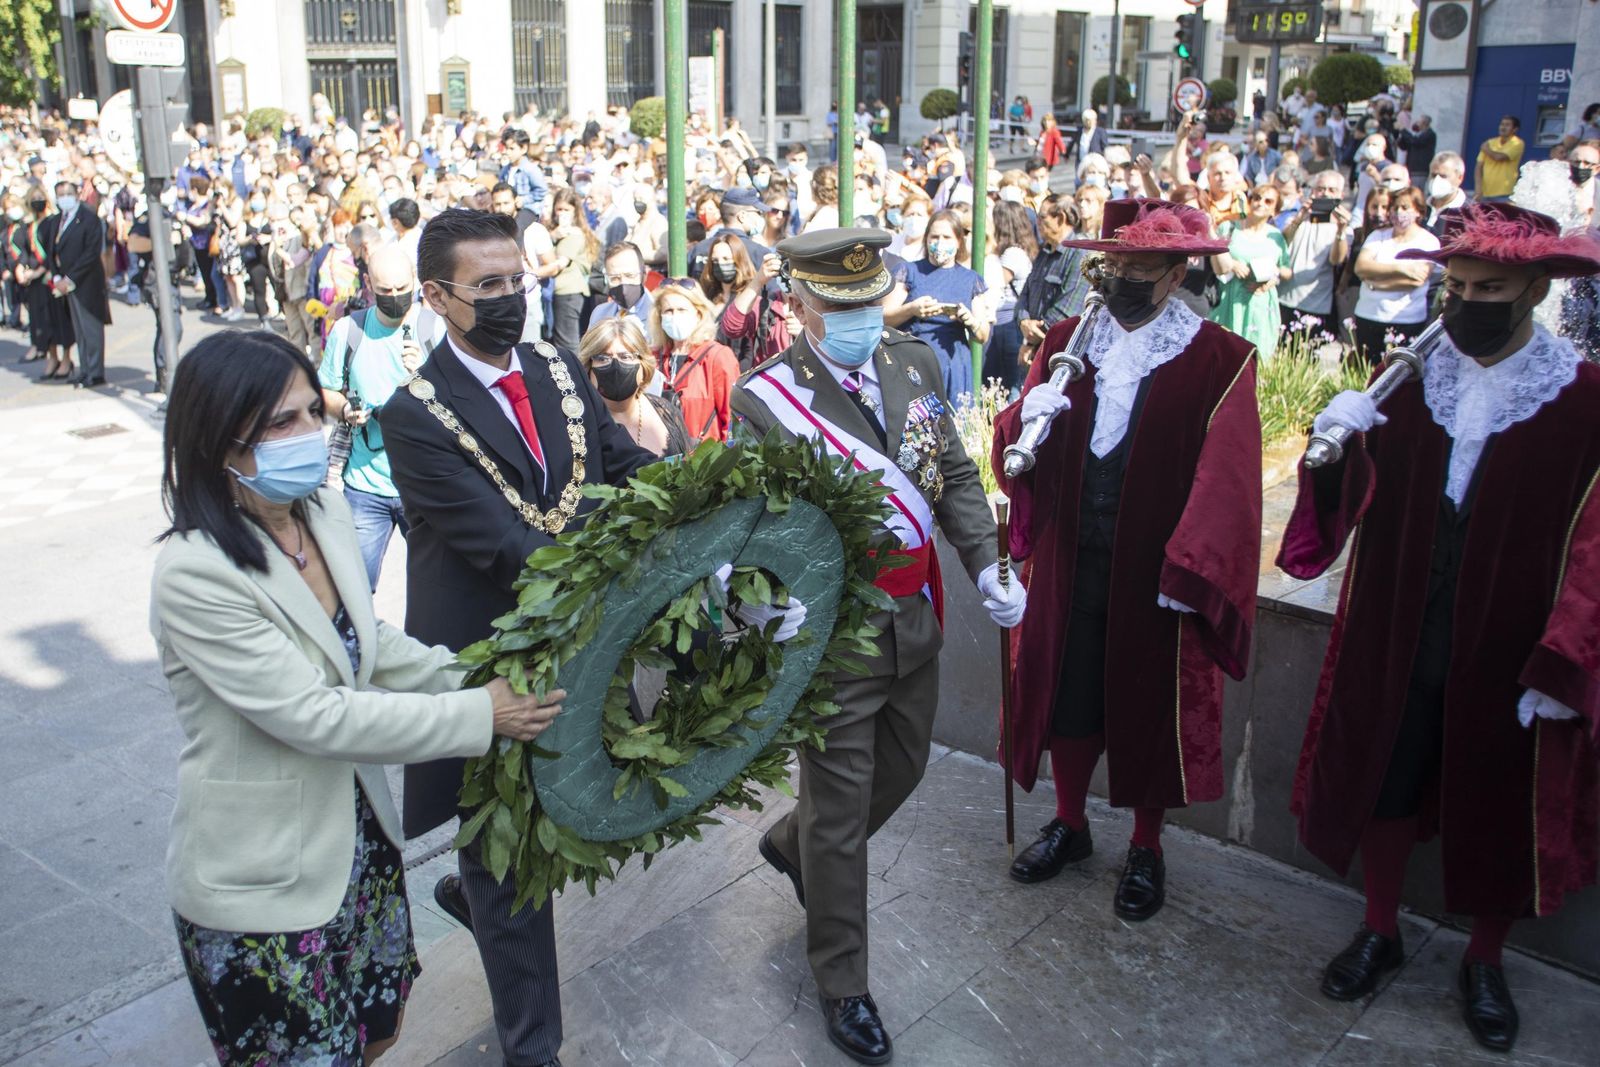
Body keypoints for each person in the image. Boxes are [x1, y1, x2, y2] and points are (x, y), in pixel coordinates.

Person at [152, 329, 561, 1067]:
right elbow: (315, 714)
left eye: (314, 411)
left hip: (358, 851)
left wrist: (477, 678)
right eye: (283, 422)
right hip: (266, 883)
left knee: (373, 1032)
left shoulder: (322, 512)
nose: (312, 432)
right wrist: (480, 714)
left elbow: (370, 643)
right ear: (220, 441)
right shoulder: (195, 573)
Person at [1277, 202, 1600, 1055]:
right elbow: (1352, 509)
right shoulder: (1411, 379)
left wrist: (1567, 656)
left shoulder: (1586, 399)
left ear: (1535, 287)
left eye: (1489, 287)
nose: (1465, 304)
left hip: (1512, 638)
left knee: (1498, 797)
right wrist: (1341, 445)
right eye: (1454, 286)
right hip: (1401, 622)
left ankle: (1486, 959)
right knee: (1388, 770)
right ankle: (1380, 926)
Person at [733, 228, 1023, 1065]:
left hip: (916, 621)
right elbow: (750, 526)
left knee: (899, 772)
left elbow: (955, 475)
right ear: (801, 308)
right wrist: (764, 604)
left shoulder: (914, 366)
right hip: (831, 634)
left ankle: (793, 845)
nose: (862, 318)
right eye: (842, 306)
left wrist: (987, 562)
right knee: (841, 809)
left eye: (870, 302)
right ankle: (844, 982)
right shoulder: (769, 399)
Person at [378, 208, 656, 1067]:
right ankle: (533, 1048)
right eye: (487, 287)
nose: (509, 300)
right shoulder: (413, 414)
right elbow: (503, 545)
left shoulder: (552, 364)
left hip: (582, 640)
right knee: (510, 855)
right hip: (490, 662)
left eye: (518, 282)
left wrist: (692, 505)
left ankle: (475, 888)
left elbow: (615, 459)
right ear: (437, 297)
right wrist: (631, 575)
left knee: (568, 818)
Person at [992, 198, 1261, 928]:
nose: (1121, 280)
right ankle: (1071, 824)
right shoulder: (1068, 341)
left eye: (1140, 269)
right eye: (1113, 266)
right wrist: (1028, 416)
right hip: (1074, 553)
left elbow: (1230, 477)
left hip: (1157, 568)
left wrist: (1194, 567)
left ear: (1176, 274)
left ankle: (1147, 846)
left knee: (1147, 707)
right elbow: (1017, 441)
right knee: (1070, 695)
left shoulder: (1219, 360)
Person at [317, 245, 426, 589]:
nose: (395, 297)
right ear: (368, 284)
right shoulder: (348, 330)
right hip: (365, 486)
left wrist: (426, 375)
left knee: (440, 586)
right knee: (353, 589)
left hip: (424, 484)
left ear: (416, 280)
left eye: (401, 289)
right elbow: (325, 391)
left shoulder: (437, 329)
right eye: (385, 291)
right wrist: (346, 410)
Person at [883, 211, 990, 399]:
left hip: (954, 362)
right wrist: (912, 309)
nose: (940, 242)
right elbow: (883, 318)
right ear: (926, 239)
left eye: (947, 237)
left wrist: (969, 320)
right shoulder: (908, 270)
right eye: (934, 236)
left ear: (958, 241)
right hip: (914, 360)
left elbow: (983, 335)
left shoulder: (971, 279)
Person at [577, 316, 688, 458]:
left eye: (626, 357)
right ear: (588, 368)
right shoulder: (578, 425)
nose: (615, 366)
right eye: (603, 358)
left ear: (643, 365)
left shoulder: (667, 410)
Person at [1352, 186, 1440, 362]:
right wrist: (1402, 269)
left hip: (1406, 319)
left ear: (1418, 211)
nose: (1399, 212)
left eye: (1405, 207)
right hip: (1369, 315)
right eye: (1395, 207)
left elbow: (1417, 280)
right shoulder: (1378, 235)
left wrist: (1374, 282)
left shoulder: (1428, 241)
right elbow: (1361, 267)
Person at [649, 277, 740, 442]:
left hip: (705, 461)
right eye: (668, 311)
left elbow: (733, 421)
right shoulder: (653, 358)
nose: (674, 316)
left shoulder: (717, 357)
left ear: (698, 313)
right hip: (660, 460)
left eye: (682, 309)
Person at [1210, 184, 1292, 358]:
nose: (1261, 203)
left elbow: (1287, 270)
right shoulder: (1229, 227)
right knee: (1224, 354)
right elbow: (1215, 262)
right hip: (1230, 299)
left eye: (1268, 201)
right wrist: (1232, 263)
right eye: (1257, 198)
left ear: (1274, 211)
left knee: (1257, 358)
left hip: (1260, 303)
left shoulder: (1276, 236)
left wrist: (1273, 274)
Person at [45, 178, 109, 388]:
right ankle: (86, 369)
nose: (64, 198)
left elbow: (91, 253)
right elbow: (51, 251)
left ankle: (95, 371)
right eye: (60, 194)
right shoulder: (57, 221)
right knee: (80, 329)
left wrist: (70, 278)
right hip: (66, 283)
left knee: (91, 328)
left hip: (86, 282)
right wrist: (57, 277)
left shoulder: (88, 218)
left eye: (67, 193)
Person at [1279, 170, 1353, 339]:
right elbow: (1283, 243)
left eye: (1331, 190)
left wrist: (1341, 229)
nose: (1325, 193)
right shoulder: (1299, 218)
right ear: (1312, 191)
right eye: (1320, 189)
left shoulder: (1343, 227)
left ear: (1341, 195)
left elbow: (1336, 259)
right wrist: (1299, 218)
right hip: (1285, 297)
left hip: (1317, 302)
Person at [16, 186, 75, 381]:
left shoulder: (53, 221)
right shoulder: (27, 227)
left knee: (60, 319)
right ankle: (52, 357)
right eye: (34, 198)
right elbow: (23, 250)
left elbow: (54, 249)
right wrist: (22, 268)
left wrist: (42, 270)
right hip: (35, 283)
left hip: (50, 277)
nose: (38, 201)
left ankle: (66, 359)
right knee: (42, 322)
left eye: (41, 197)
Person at [982, 199, 1037, 394]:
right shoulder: (1015, 250)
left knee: (1008, 380)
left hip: (1007, 324)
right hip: (1005, 324)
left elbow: (993, 283)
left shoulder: (1012, 254)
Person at [547, 188, 597, 350]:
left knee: (568, 344)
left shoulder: (574, 233)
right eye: (559, 209)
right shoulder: (556, 232)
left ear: (575, 212)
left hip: (568, 292)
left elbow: (559, 263)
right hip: (562, 292)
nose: (562, 214)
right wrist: (553, 236)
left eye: (566, 210)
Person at [589, 239, 653, 330]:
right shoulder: (599, 314)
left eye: (630, 275)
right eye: (615, 278)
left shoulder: (660, 314)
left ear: (644, 275)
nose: (623, 283)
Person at [1475, 115, 1524, 201]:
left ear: (1515, 129)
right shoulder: (1490, 142)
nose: (1503, 127)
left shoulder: (1517, 143)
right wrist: (1478, 189)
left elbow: (1499, 157)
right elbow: (1479, 166)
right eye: (1502, 124)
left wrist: (1486, 149)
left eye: (1507, 125)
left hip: (1505, 193)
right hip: (1485, 193)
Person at [1399, 113, 1437, 185]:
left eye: (1418, 122)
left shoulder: (1430, 134)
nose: (1416, 124)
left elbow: (1416, 142)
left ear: (1424, 123)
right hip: (1410, 169)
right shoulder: (1416, 134)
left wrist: (1404, 131)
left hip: (1420, 171)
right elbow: (1403, 146)